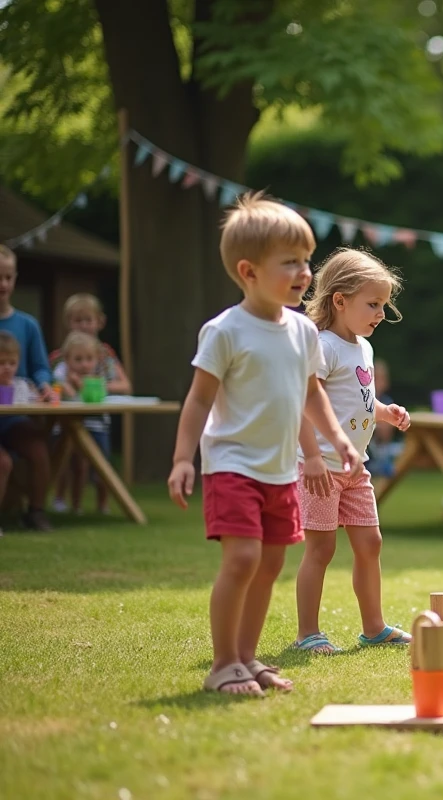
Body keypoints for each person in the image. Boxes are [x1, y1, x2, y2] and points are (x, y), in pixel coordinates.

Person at [167, 192, 360, 696]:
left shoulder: (301, 331)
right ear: (249, 271)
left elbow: (309, 393)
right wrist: (182, 459)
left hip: (279, 470)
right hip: (232, 465)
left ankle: (248, 659)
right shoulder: (225, 332)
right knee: (243, 559)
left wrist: (334, 438)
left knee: (271, 562)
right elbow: (197, 401)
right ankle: (223, 662)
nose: (304, 272)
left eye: (306, 260)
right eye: (290, 263)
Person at [292, 248, 413, 653]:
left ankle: (374, 627)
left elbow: (357, 400)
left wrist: (384, 412)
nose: (380, 313)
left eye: (383, 304)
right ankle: (308, 633)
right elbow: (308, 404)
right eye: (373, 304)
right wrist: (310, 457)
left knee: (370, 543)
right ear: (339, 300)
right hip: (320, 467)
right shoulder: (321, 346)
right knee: (321, 548)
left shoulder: (363, 347)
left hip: (355, 467)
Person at [50, 294, 132, 513]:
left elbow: (125, 385)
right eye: (78, 321)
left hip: (97, 419)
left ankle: (102, 504)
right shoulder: (61, 357)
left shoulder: (105, 356)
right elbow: (52, 383)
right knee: (68, 463)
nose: (83, 326)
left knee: (100, 464)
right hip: (66, 418)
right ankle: (62, 500)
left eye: (88, 320)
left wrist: (94, 385)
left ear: (99, 322)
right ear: (68, 323)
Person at [0, 245, 55, 531]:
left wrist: (45, 387)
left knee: (38, 449)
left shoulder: (27, 324)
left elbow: (40, 367)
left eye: (8, 277)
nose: (3, 284)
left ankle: (35, 510)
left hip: (15, 415)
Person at [0, 331, 40, 536]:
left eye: (12, 363)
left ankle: (36, 511)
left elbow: (36, 402)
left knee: (37, 446)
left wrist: (45, 396)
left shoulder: (22, 386)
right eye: (1, 363)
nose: (7, 368)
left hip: (13, 429)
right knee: (3, 463)